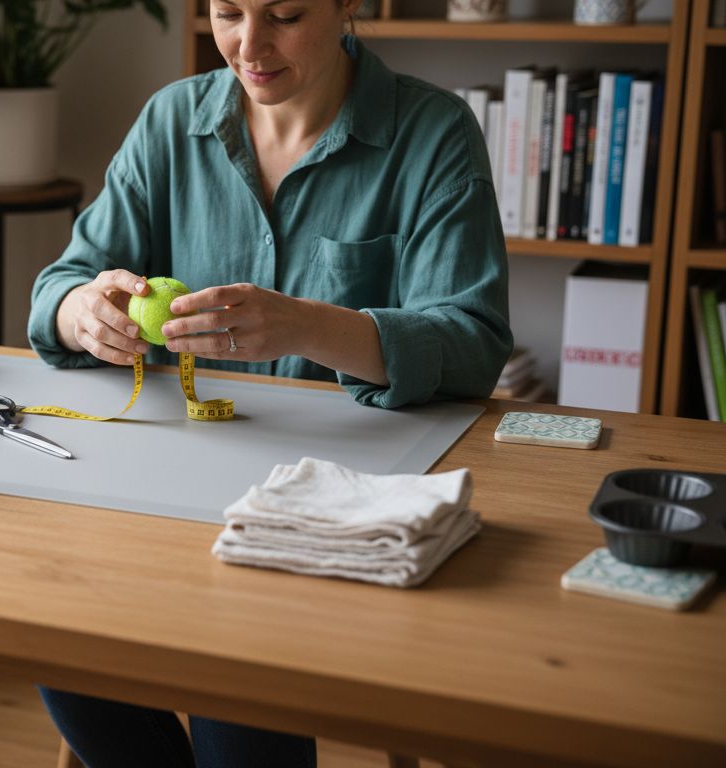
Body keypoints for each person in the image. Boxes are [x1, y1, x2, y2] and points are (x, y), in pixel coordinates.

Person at [26, 0, 513, 765]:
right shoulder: (168, 123)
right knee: (64, 647)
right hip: (166, 494)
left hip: (337, 514)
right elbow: (64, 280)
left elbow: (472, 341)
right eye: (228, 12)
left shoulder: (433, 133)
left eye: (284, 14)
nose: (249, 45)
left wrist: (310, 326)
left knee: (238, 697)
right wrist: (80, 313)